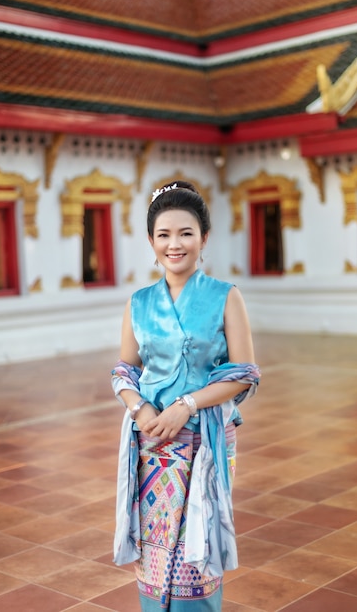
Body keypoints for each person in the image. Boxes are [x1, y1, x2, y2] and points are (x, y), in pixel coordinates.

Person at [111, 180, 260, 611]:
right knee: (155, 551)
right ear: (151, 241)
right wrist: (139, 410)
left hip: (205, 440)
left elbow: (244, 374)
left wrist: (187, 405)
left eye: (185, 233)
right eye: (164, 235)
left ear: (204, 238)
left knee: (198, 546)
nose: (174, 244)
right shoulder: (138, 303)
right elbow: (125, 370)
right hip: (151, 440)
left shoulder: (226, 297)